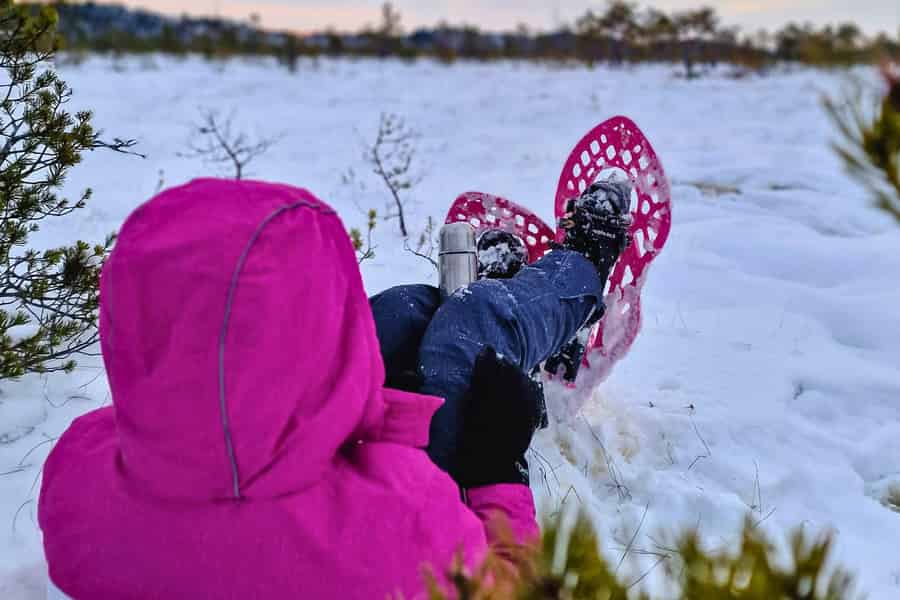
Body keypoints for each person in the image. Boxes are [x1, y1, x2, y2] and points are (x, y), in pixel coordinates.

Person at [38, 177, 630, 599]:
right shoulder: (401, 531)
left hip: (303, 458)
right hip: (386, 476)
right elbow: (515, 586)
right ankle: (582, 269)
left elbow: (202, 408)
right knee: (466, 327)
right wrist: (500, 467)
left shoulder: (76, 492)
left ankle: (502, 298)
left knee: (407, 312)